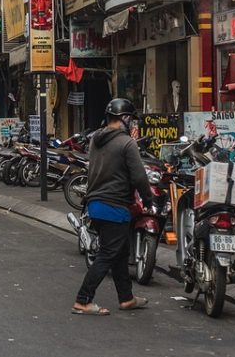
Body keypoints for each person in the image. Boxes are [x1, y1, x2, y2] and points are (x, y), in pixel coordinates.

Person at [72, 98, 152, 316]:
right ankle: (83, 299)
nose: (132, 124)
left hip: (95, 205)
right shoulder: (127, 143)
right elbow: (139, 176)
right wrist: (149, 200)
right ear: (124, 118)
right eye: (131, 120)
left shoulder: (95, 140)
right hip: (114, 206)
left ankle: (126, 298)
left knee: (119, 253)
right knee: (108, 254)